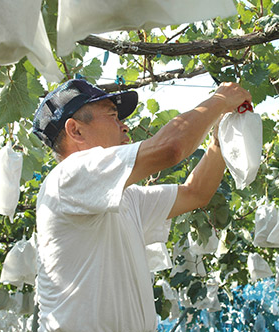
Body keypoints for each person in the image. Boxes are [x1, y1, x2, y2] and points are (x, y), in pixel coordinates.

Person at [32, 79, 250, 332]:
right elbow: (170, 148)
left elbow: (195, 193)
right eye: (113, 116)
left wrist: (219, 141)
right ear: (76, 131)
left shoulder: (126, 198)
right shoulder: (68, 177)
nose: (124, 127)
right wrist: (220, 100)